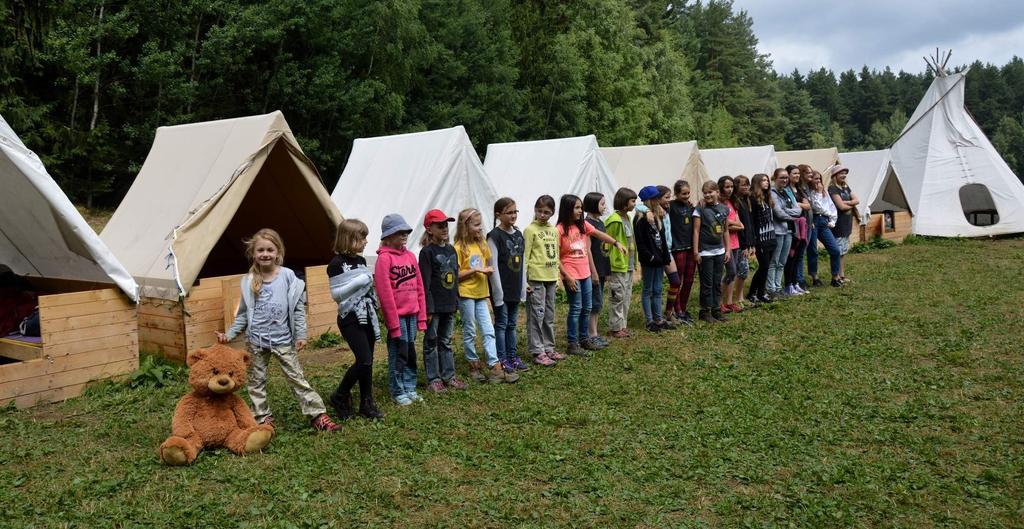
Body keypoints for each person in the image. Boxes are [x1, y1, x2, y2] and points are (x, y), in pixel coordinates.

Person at [217, 228, 340, 432]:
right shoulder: (249, 281)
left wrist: (301, 334)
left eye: (270, 250)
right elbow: (242, 315)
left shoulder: (288, 277)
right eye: (261, 250)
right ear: (253, 254)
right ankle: (262, 418)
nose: (265, 254)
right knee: (256, 382)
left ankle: (317, 415)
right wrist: (228, 334)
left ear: (278, 252)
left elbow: (298, 309)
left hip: (283, 340)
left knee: (296, 378)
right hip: (256, 341)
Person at [326, 219, 384, 421]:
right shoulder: (335, 264)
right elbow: (337, 294)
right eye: (362, 238)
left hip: (366, 314)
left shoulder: (360, 261)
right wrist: (361, 280)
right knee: (364, 360)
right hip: (350, 318)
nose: (366, 242)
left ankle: (366, 403)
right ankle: (340, 395)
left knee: (368, 362)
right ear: (349, 239)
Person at [454, 208, 520, 384]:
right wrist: (476, 270)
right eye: (476, 225)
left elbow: (491, 264)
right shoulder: (459, 248)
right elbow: (456, 275)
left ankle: (494, 367)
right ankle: (473, 365)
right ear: (465, 226)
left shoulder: (482, 245)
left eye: (480, 224)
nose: (479, 228)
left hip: (481, 294)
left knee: (488, 330)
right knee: (469, 330)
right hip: (466, 294)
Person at [557, 194, 626, 354]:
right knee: (576, 308)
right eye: (577, 208)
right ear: (567, 209)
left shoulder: (583, 225)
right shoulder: (559, 230)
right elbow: (556, 257)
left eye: (581, 207)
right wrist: (567, 276)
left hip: (585, 273)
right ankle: (572, 344)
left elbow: (598, 234)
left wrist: (615, 243)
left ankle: (584, 339)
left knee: (587, 307)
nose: (581, 211)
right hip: (572, 274)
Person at [374, 214, 428, 406]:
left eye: (405, 232)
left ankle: (410, 386)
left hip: (412, 315)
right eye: (399, 232)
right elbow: (385, 294)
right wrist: (393, 324)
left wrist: (421, 316)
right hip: (397, 317)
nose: (404, 235)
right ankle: (397, 390)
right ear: (387, 236)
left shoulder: (411, 256)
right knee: (398, 353)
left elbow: (420, 287)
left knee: (410, 352)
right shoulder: (384, 259)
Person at [418, 209, 469, 393]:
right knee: (431, 341)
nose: (444, 228)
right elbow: (425, 282)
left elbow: (454, 277)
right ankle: (433, 379)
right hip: (434, 306)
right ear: (429, 229)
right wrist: (428, 309)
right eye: (439, 225)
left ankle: (449, 375)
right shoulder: (426, 253)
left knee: (445, 341)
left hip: (449, 304)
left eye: (445, 225)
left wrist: (456, 300)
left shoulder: (451, 250)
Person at [487, 198, 530, 373]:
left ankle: (513, 356)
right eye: (509, 212)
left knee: (512, 324)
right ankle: (502, 357)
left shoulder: (518, 234)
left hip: (514, 287)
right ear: (499, 215)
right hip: (501, 290)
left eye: (515, 212)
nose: (513, 215)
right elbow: (493, 266)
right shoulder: (494, 236)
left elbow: (522, 263)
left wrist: (523, 285)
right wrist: (498, 293)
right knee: (502, 323)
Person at [524, 195, 562, 365]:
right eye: (539, 211)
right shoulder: (530, 230)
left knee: (549, 314)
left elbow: (557, 253)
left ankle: (549, 347)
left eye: (546, 212)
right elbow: (525, 255)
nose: (542, 215)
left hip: (551, 277)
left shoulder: (554, 231)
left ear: (552, 212)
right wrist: (523, 280)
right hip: (536, 278)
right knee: (536, 314)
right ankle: (537, 350)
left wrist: (557, 275)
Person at [634, 185, 672, 332]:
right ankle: (649, 321)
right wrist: (649, 257)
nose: (657, 200)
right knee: (648, 289)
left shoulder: (657, 216)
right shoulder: (640, 218)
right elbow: (641, 242)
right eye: (654, 198)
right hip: (649, 260)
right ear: (648, 200)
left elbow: (662, 238)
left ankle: (658, 318)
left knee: (658, 289)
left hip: (660, 259)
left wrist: (665, 257)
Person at [692, 181, 731, 323]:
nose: (707, 195)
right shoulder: (700, 209)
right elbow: (696, 231)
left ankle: (716, 309)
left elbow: (726, 230)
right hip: (705, 253)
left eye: (710, 192)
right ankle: (705, 310)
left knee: (716, 281)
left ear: (717, 192)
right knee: (707, 283)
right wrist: (696, 252)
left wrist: (728, 249)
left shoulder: (724, 209)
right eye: (705, 193)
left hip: (720, 251)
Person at [604, 188, 637, 338]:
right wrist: (608, 264)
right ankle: (615, 327)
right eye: (632, 201)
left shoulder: (628, 218)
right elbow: (606, 243)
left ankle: (622, 325)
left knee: (626, 295)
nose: (635, 204)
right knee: (617, 296)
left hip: (628, 265)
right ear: (624, 203)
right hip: (617, 265)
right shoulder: (614, 221)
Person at [582, 192, 611, 349]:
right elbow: (589, 250)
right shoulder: (588, 224)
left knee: (598, 302)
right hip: (593, 270)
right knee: (594, 303)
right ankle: (591, 334)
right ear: (593, 205)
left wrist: (605, 270)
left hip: (601, 269)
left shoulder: (600, 222)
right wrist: (593, 271)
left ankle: (594, 332)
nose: (604, 206)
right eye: (602, 204)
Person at [667, 180, 697, 324]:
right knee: (677, 280)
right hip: (677, 247)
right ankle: (676, 309)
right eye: (683, 194)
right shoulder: (670, 206)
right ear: (676, 193)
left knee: (690, 279)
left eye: (688, 193)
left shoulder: (691, 207)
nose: (686, 196)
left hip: (691, 247)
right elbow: (648, 206)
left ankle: (683, 308)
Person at [769, 168, 801, 298]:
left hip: (789, 230)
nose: (785, 180)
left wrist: (787, 212)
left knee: (782, 261)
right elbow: (778, 213)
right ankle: (771, 288)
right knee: (774, 261)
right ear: (775, 178)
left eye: (786, 178)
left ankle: (778, 286)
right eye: (782, 177)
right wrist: (792, 216)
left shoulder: (786, 192)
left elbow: (798, 210)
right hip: (778, 231)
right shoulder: (772, 193)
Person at [808, 174, 844, 287]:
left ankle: (835, 276)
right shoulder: (809, 192)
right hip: (813, 220)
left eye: (819, 179)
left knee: (835, 249)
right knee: (813, 250)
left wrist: (832, 220)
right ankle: (815, 277)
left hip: (823, 221)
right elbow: (816, 207)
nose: (818, 181)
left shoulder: (824, 191)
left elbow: (831, 206)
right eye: (815, 179)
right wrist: (818, 192)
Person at [746, 173, 777, 303]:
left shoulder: (767, 197)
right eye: (763, 180)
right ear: (757, 183)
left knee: (767, 266)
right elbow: (752, 222)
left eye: (767, 180)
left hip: (770, 236)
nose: (767, 182)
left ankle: (760, 292)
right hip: (760, 238)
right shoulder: (753, 199)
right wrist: (753, 241)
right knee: (763, 266)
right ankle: (754, 292)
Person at [717, 176, 745, 314]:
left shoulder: (733, 202)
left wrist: (733, 224)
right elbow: (722, 223)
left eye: (731, 187)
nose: (729, 189)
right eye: (727, 186)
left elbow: (739, 223)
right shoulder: (718, 203)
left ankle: (729, 302)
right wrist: (734, 224)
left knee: (732, 274)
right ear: (721, 187)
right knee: (731, 271)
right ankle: (718, 302)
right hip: (724, 242)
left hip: (735, 242)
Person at [829, 165, 859, 284]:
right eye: (841, 173)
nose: (844, 175)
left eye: (845, 173)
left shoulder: (846, 187)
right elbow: (840, 207)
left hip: (847, 223)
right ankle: (836, 276)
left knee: (843, 252)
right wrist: (850, 204)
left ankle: (841, 275)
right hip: (839, 224)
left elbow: (857, 200)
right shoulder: (832, 189)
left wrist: (847, 202)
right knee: (838, 251)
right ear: (835, 175)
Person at [783, 165, 810, 296]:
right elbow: (792, 207)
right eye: (794, 173)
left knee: (798, 256)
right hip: (792, 226)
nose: (797, 175)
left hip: (802, 225)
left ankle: (795, 283)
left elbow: (808, 205)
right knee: (791, 256)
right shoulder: (786, 190)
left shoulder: (799, 189)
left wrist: (798, 205)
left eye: (798, 173)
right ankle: (788, 284)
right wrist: (799, 206)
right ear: (788, 175)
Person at [732, 175, 756, 308]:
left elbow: (749, 225)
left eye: (747, 184)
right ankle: (737, 298)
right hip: (740, 244)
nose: (746, 187)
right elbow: (740, 227)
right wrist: (745, 245)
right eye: (743, 185)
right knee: (741, 271)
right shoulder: (736, 203)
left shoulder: (746, 201)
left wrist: (752, 243)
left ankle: (739, 297)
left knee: (743, 271)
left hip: (747, 242)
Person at [799, 166, 823, 287]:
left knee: (812, 249)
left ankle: (814, 275)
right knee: (801, 252)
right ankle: (799, 279)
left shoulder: (808, 188)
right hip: (801, 224)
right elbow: (806, 206)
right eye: (808, 172)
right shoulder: (799, 189)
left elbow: (812, 207)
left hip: (810, 223)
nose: (811, 174)